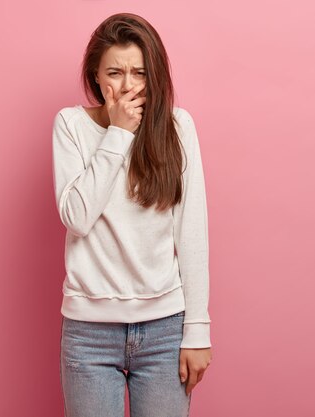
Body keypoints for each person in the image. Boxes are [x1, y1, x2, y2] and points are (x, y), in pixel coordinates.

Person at [52, 12, 212, 417]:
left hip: (164, 329)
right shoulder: (71, 125)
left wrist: (196, 331)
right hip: (89, 333)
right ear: (95, 75)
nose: (127, 86)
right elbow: (77, 216)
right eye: (115, 73)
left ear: (153, 75)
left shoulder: (177, 127)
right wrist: (118, 133)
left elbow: (190, 231)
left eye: (138, 73)